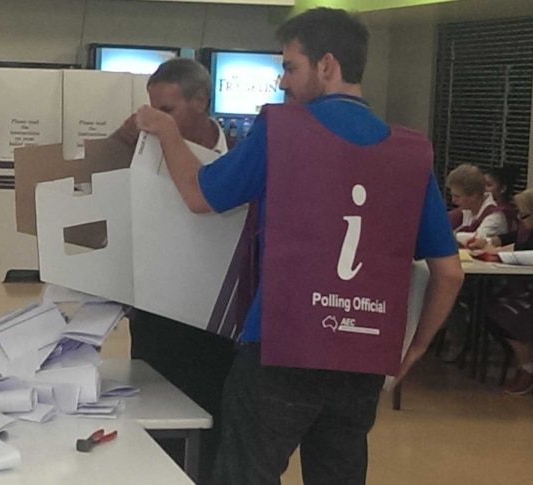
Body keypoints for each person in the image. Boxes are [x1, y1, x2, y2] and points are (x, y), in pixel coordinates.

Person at [134, 8, 464, 485]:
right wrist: (416, 348)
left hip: (280, 348)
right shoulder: (412, 152)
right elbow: (449, 273)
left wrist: (165, 131)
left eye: (290, 67)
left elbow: (197, 193)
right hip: (363, 358)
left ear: (326, 65)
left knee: (246, 473)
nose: (283, 83)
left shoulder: (283, 129)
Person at [112, 57, 235, 485]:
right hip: (154, 313)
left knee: (210, 422)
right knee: (152, 415)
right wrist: (121, 140)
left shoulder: (239, 156)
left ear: (200, 100)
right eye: (152, 108)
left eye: (168, 111)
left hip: (217, 323)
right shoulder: (143, 150)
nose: (156, 120)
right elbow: (98, 192)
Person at [467, 187, 533, 395]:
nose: (521, 220)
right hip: (524, 289)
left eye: (524, 215)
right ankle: (524, 361)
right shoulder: (527, 226)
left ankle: (527, 368)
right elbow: (514, 240)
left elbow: (524, 252)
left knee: (506, 312)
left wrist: (497, 252)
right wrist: (492, 243)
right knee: (487, 305)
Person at [447, 163, 509, 245]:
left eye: (457, 196)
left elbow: (477, 240)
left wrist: (448, 235)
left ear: (474, 195)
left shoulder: (495, 217)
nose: (453, 200)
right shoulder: (467, 210)